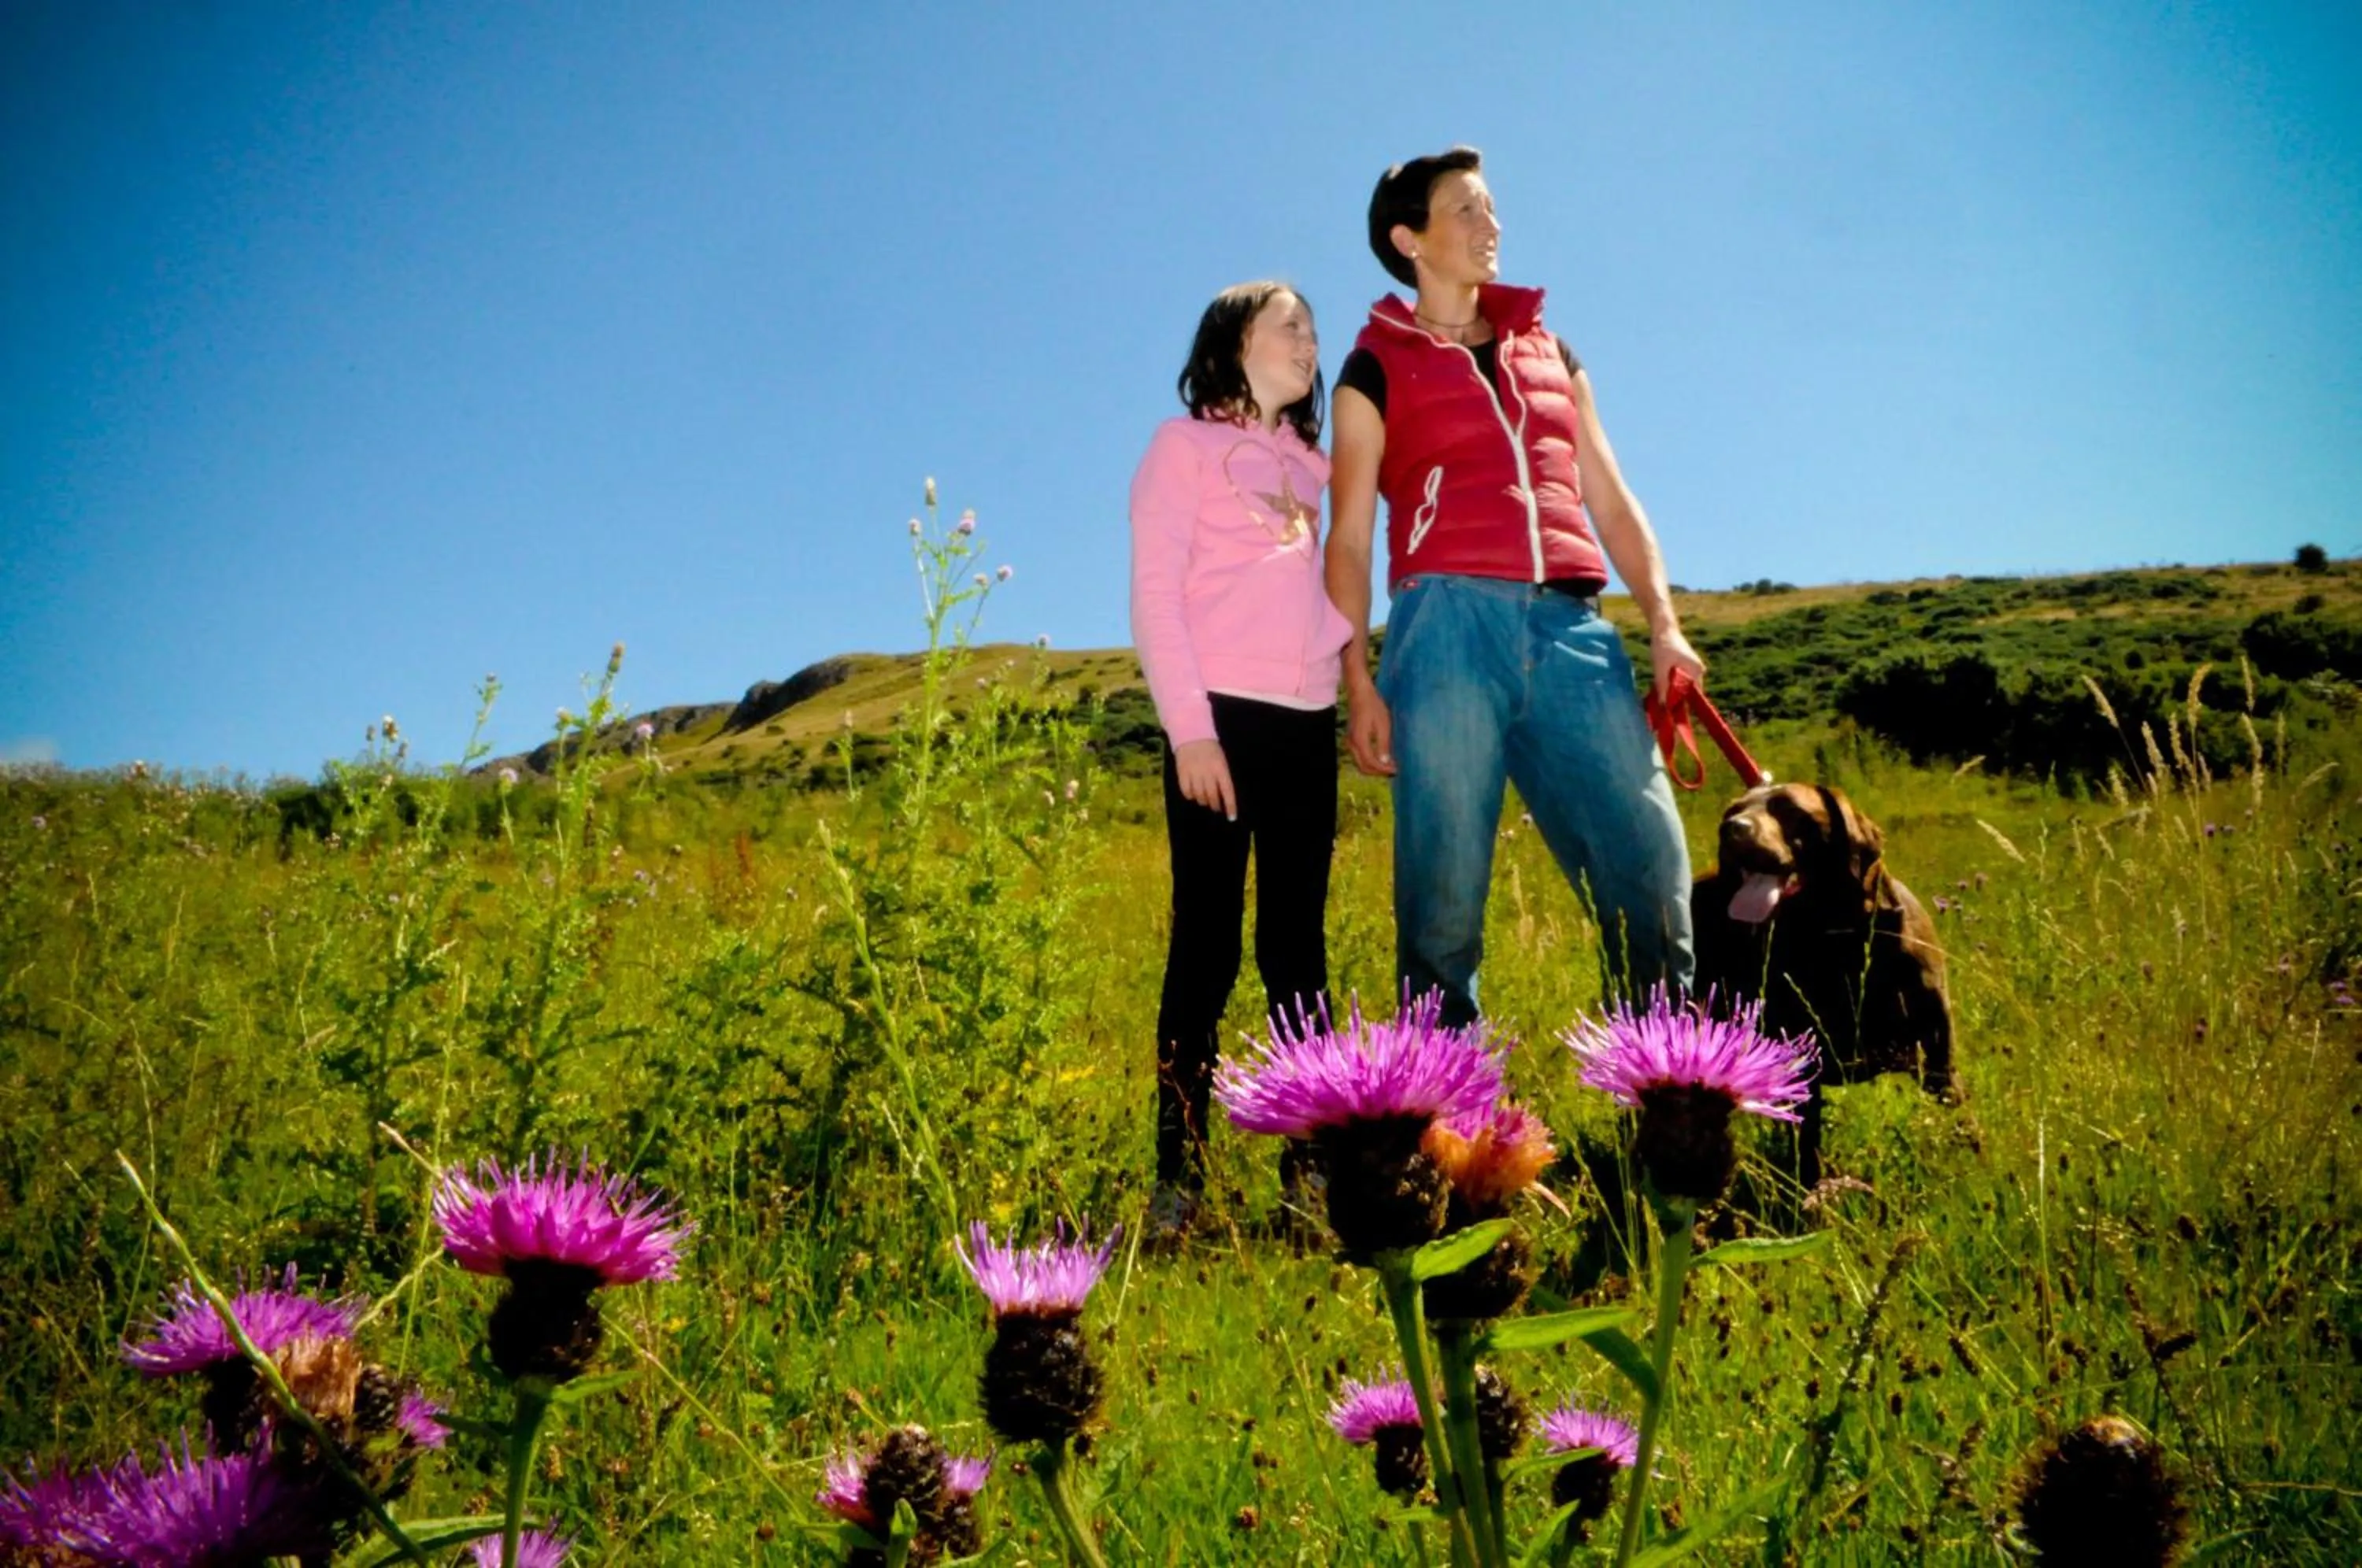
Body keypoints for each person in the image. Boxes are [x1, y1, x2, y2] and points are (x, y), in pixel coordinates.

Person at [1324, 146, 1701, 1026]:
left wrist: (1663, 622)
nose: (1491, 224)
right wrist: (1357, 678)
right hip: (1444, 626)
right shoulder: (1372, 367)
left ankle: (1672, 1109)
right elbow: (1344, 538)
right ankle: (1449, 1134)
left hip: (1574, 629)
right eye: (1468, 210)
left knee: (1650, 868)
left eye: (1492, 208)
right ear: (1409, 239)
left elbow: (1605, 489)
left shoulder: (1551, 350)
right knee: (1443, 897)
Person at [1131, 281, 1350, 1244]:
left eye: (1312, 328)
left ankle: (1310, 1174)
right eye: (1287, 326)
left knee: (1298, 953)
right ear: (1233, 343)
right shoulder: (1181, 448)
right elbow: (1155, 593)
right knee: (1208, 950)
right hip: (1219, 722)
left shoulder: (1316, 466)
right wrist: (1191, 732)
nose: (1308, 340)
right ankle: (1181, 1183)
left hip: (1308, 725)